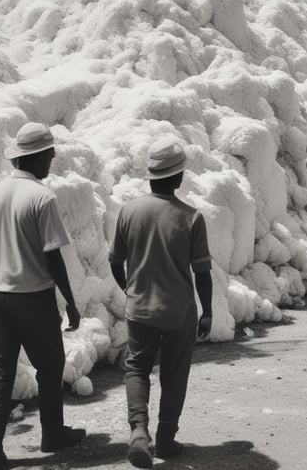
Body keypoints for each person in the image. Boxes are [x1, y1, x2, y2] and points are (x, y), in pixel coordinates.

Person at [0, 123, 84, 470]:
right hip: (34, 297)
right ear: (36, 157)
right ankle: (52, 434)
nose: (52, 161)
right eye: (50, 155)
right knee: (49, 367)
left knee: (1, 372)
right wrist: (69, 299)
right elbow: (53, 256)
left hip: (0, 296)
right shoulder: (42, 197)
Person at [109, 139, 213, 467]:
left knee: (137, 368)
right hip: (179, 311)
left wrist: (131, 289)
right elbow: (202, 272)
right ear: (179, 177)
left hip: (139, 309)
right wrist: (208, 310)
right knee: (174, 374)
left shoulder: (129, 211)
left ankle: (139, 432)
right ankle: (166, 440)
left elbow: (115, 261)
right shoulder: (191, 217)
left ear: (151, 175)